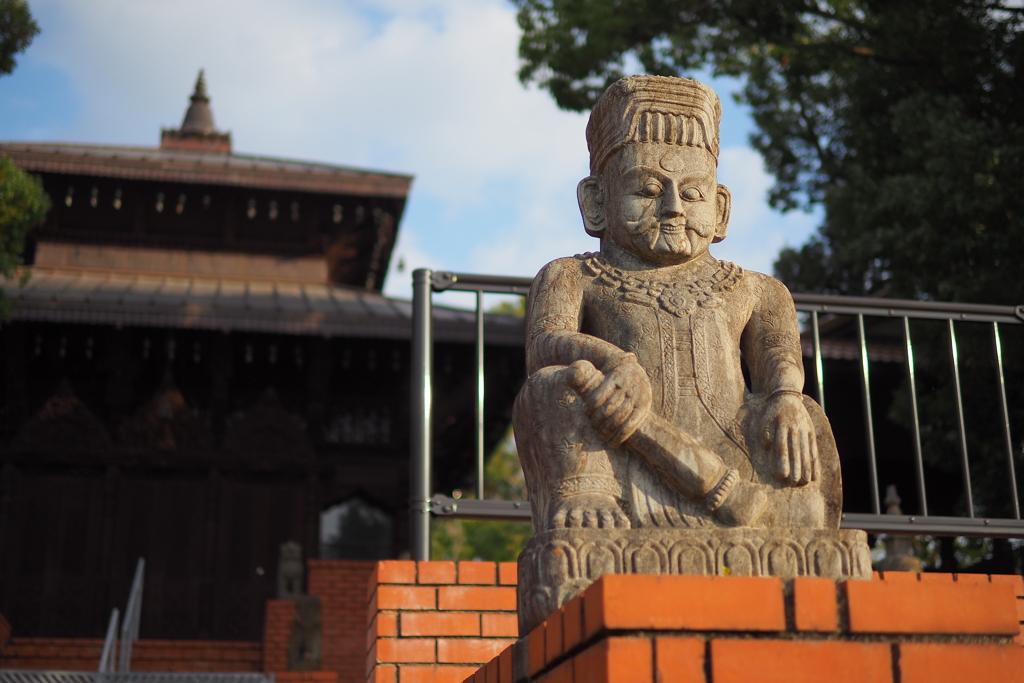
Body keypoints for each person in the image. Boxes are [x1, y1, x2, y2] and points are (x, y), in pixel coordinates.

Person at [513, 75, 841, 534]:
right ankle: (589, 493)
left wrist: (786, 397)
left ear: (720, 207)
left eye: (692, 193)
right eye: (647, 190)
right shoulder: (572, 275)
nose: (672, 207)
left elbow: (779, 359)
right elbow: (546, 343)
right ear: (596, 201)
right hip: (618, 451)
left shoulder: (755, 288)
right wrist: (614, 360)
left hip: (732, 453)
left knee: (798, 413)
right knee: (552, 387)